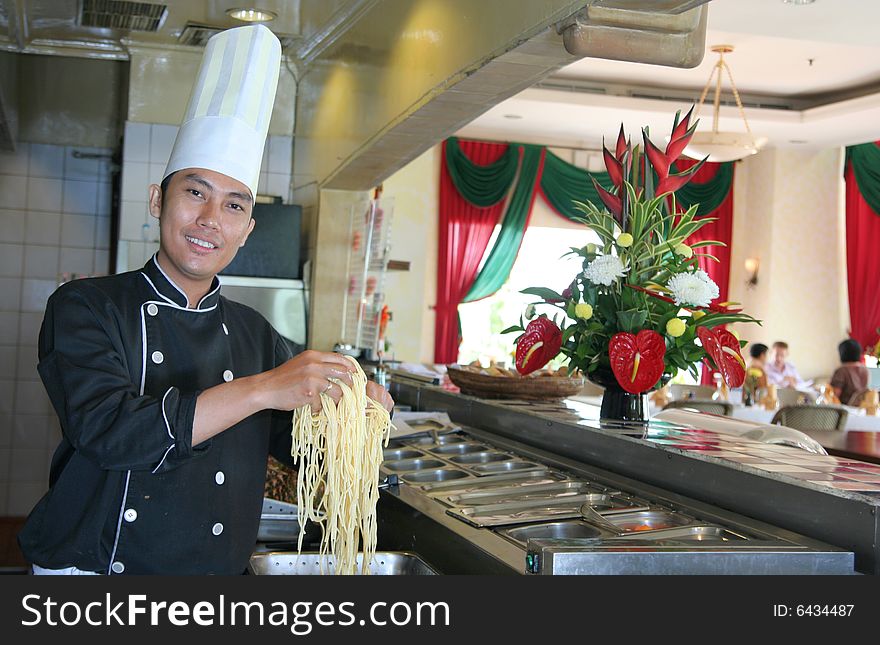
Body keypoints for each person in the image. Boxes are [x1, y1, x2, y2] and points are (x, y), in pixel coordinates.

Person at [18, 24, 393, 575]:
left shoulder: (255, 333)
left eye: (234, 206)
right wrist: (265, 387)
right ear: (157, 199)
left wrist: (351, 414)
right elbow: (109, 431)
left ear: (247, 229)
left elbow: (299, 448)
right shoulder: (85, 308)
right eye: (195, 192)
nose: (210, 220)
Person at [830, 338, 869, 406]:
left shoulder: (841, 371)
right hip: (861, 407)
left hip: (844, 409)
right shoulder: (864, 369)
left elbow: (834, 395)